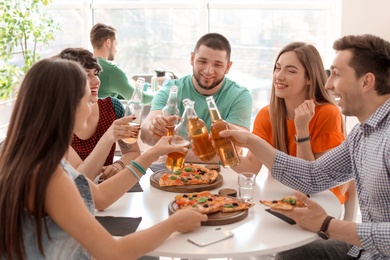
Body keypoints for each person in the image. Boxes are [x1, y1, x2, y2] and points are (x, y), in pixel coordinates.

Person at [0, 58, 207, 259]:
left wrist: (151, 154)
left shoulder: (18, 152)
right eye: (87, 100)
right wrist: (174, 223)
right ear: (69, 107)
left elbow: (100, 196)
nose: (93, 105)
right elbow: (114, 253)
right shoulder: (51, 177)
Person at [220, 34, 390, 259]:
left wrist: (327, 224)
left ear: (366, 82)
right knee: (286, 253)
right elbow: (313, 175)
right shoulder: (361, 134)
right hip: (367, 251)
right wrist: (251, 141)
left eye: (336, 75)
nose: (328, 84)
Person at [231, 42, 350, 204]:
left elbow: (310, 183)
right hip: (283, 197)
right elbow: (250, 169)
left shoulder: (327, 113)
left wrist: (302, 130)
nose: (279, 76)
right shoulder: (266, 115)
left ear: (309, 77)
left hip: (323, 202)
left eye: (291, 71)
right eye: (277, 68)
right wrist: (223, 150)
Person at [140, 32, 252, 161]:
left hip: (221, 175)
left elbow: (231, 152)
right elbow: (145, 135)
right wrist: (154, 129)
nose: (208, 70)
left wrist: (170, 150)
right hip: (172, 174)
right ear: (192, 59)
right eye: (202, 61)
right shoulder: (171, 90)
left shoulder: (240, 96)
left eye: (217, 64)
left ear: (228, 67)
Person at [58, 48, 138, 181]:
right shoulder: (56, 120)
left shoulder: (112, 107)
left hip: (106, 188)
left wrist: (118, 165)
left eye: (96, 74)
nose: (96, 81)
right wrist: (108, 136)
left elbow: (133, 151)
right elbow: (81, 179)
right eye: (86, 75)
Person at [90, 22, 154, 103]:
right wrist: (163, 94)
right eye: (115, 44)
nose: (116, 50)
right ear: (108, 43)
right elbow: (140, 99)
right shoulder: (112, 70)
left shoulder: (85, 64)